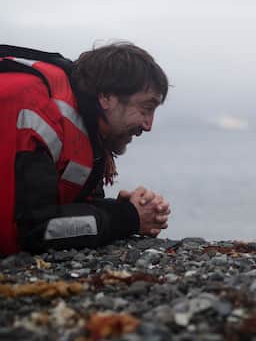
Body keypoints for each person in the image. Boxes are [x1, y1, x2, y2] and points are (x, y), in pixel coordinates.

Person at [0, 40, 171, 255]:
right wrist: (127, 218)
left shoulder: (87, 129)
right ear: (106, 97)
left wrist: (121, 209)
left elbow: (64, 208)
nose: (149, 125)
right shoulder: (35, 109)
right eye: (146, 108)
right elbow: (35, 230)